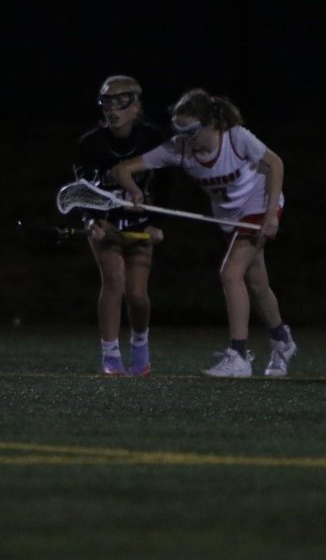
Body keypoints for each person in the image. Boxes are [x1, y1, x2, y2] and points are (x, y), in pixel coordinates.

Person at [110, 87, 296, 378]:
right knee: (257, 283)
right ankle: (282, 341)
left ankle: (239, 356)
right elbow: (121, 170)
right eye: (179, 131)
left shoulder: (235, 137)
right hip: (229, 218)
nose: (186, 139)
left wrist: (271, 215)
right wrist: (134, 192)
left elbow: (275, 164)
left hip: (259, 203)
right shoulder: (179, 148)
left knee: (230, 274)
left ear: (211, 123)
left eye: (192, 131)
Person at [72, 75, 166, 376]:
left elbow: (167, 185)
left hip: (140, 225)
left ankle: (141, 346)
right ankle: (110, 356)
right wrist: (91, 220)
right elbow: (81, 189)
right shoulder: (90, 144)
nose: (113, 109)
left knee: (137, 294)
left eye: (121, 101)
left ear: (136, 106)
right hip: (107, 224)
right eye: (107, 102)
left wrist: (156, 223)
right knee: (113, 280)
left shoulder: (153, 139)